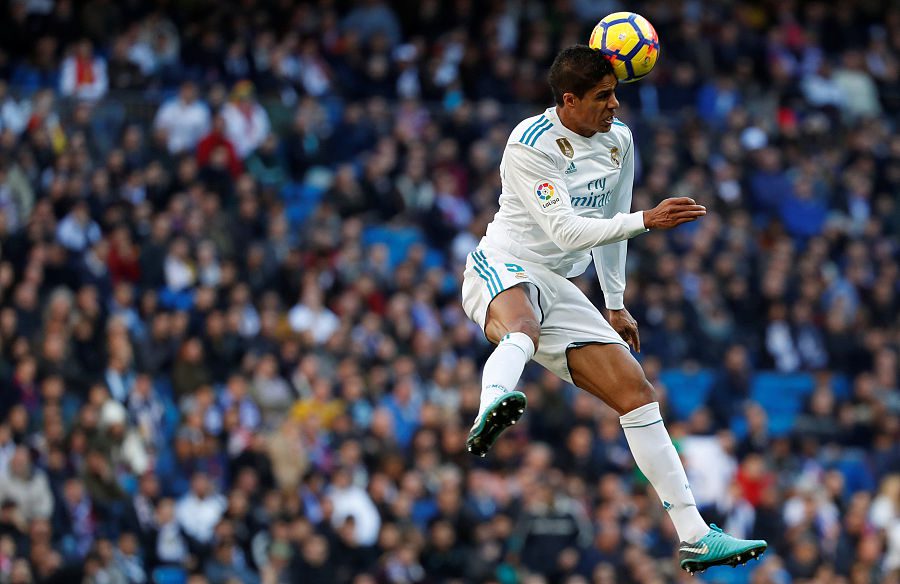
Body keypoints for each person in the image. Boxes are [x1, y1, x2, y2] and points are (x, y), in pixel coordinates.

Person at [459, 45, 767, 575]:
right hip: (505, 263)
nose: (616, 106)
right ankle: (493, 402)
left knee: (636, 392)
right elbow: (567, 230)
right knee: (523, 327)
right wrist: (648, 219)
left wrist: (616, 303)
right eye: (604, 97)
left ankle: (695, 535)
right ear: (570, 100)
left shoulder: (619, 141)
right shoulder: (529, 144)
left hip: (561, 281)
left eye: (617, 93)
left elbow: (609, 221)